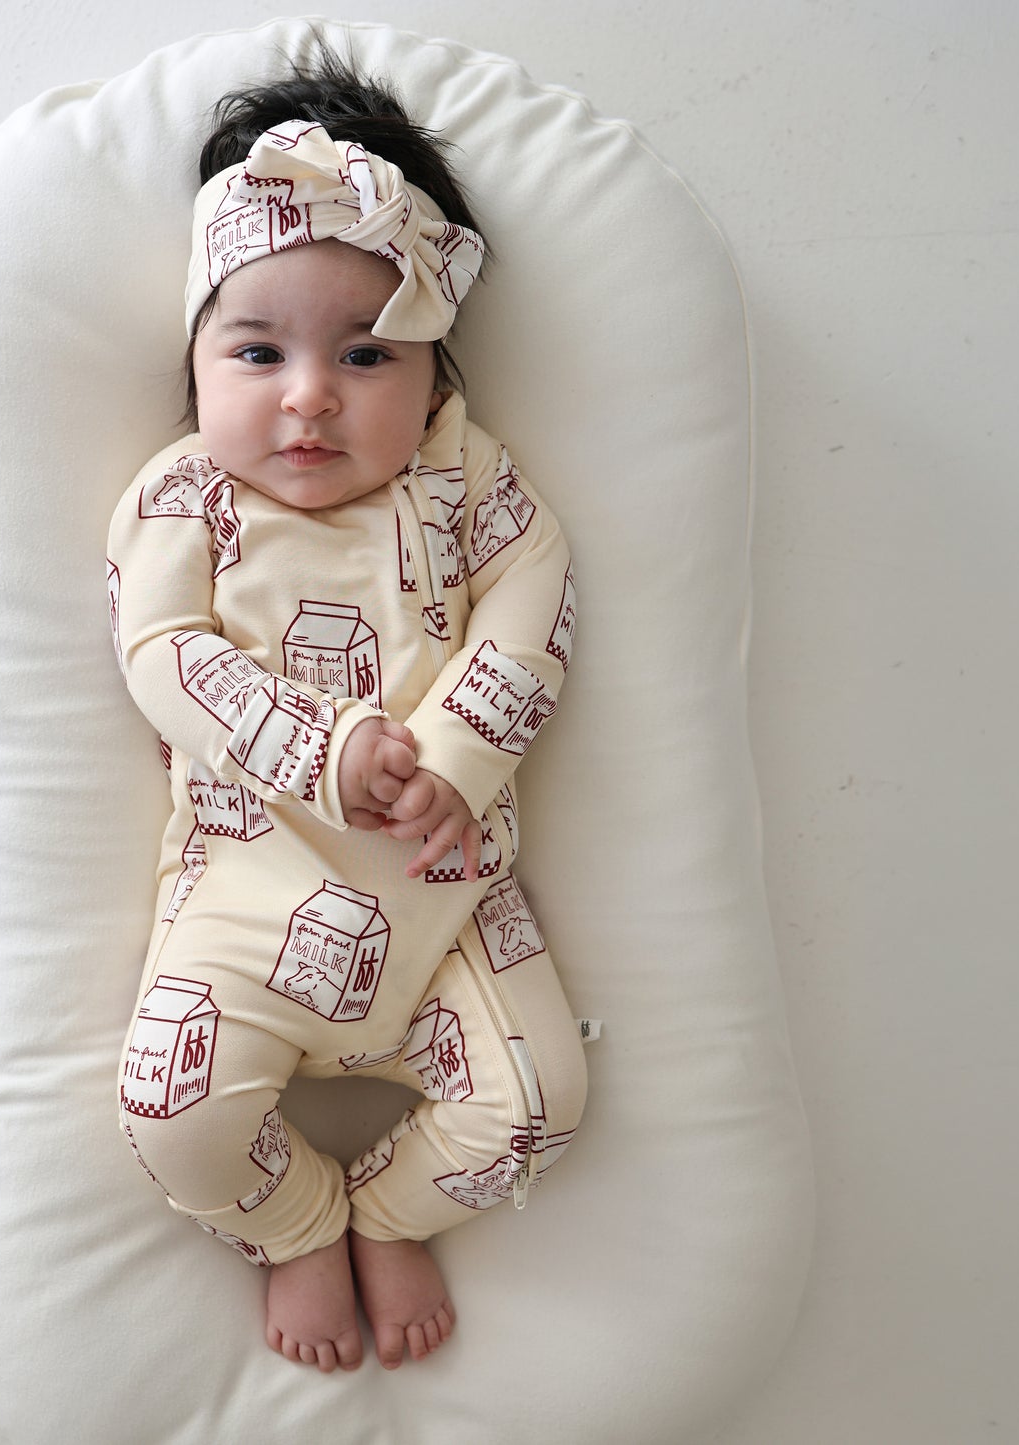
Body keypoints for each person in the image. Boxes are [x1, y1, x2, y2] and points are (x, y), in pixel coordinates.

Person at [107, 50, 587, 1374]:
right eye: (256, 350)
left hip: (444, 892)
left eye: (365, 353)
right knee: (170, 1116)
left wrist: (452, 754)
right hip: (248, 894)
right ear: (197, 360)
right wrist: (317, 744)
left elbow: (534, 601)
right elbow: (160, 651)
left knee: (541, 1102)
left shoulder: (463, 485)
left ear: (433, 377)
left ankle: (388, 1205)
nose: (308, 393)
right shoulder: (183, 500)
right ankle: (299, 1222)